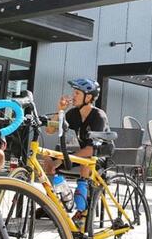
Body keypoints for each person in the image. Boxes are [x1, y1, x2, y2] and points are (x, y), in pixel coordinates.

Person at [43, 78, 107, 216]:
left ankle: (82, 211)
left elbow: (91, 149)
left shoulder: (98, 116)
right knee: (47, 157)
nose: (73, 96)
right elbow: (49, 131)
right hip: (83, 153)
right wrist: (60, 110)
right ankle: (55, 202)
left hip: (100, 154)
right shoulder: (73, 114)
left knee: (86, 163)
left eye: (77, 93)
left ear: (88, 97)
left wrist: (64, 159)